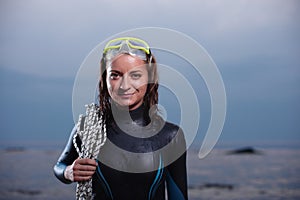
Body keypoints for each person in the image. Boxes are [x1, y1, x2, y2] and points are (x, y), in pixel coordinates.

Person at [54, 37, 188, 200]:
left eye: (135, 75)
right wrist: (68, 172)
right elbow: (59, 167)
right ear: (105, 78)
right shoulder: (87, 130)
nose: (125, 86)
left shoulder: (170, 137)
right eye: (115, 75)